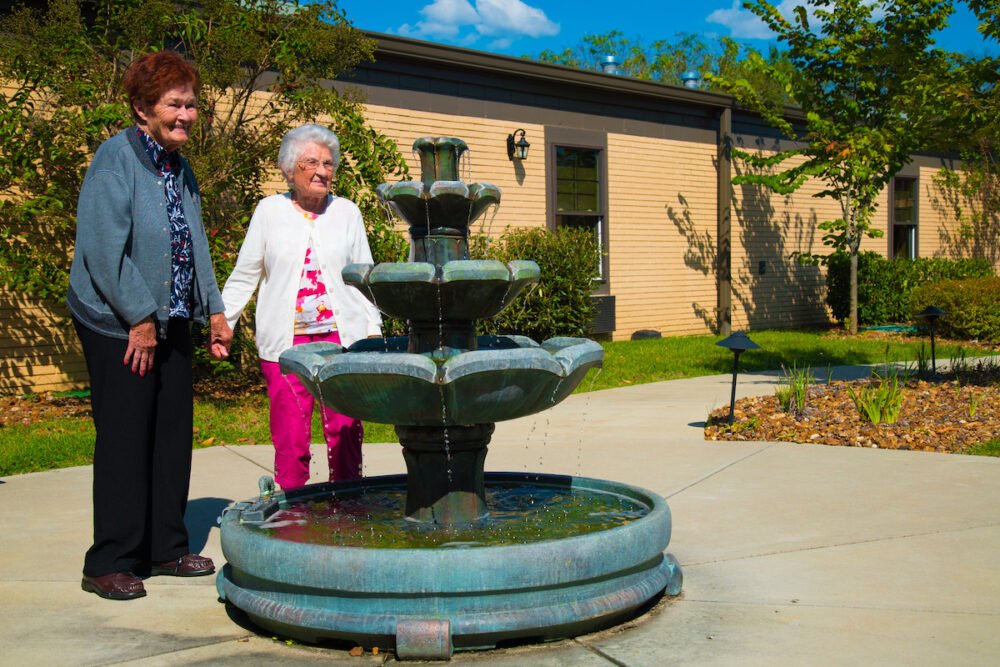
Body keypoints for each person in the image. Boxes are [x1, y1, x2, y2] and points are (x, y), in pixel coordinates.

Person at [68, 50, 232, 601]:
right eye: (174, 104)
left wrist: (213, 308)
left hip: (173, 318)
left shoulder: (178, 166)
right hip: (119, 322)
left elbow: (195, 243)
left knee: (169, 436)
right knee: (125, 437)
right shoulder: (116, 158)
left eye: (191, 104)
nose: (185, 114)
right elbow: (102, 249)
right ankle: (109, 559)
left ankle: (164, 548)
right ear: (142, 108)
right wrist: (139, 319)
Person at [221, 124, 382, 491]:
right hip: (286, 345)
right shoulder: (269, 211)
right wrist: (223, 322)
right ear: (289, 168)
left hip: (342, 343)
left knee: (345, 432)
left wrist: (373, 332)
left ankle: (348, 509)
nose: (321, 171)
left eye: (328, 164)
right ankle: (294, 515)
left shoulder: (347, 212)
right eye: (311, 162)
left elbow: (364, 275)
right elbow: (246, 274)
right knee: (291, 437)